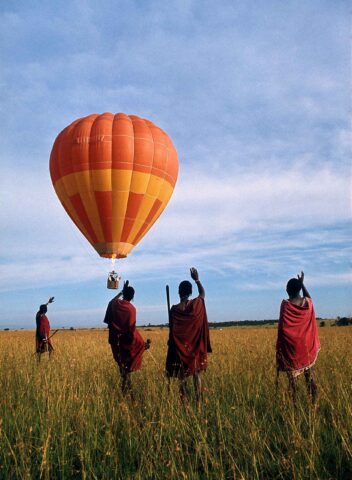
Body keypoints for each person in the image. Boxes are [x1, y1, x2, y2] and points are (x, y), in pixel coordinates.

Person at [166, 268, 212, 403]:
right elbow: (203, 293)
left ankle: (184, 403)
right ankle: (198, 402)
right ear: (190, 292)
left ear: (179, 292)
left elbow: (172, 331)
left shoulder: (174, 310)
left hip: (180, 350)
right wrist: (197, 279)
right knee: (196, 373)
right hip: (195, 349)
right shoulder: (196, 304)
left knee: (182, 376)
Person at [276, 272, 320, 404]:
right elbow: (309, 298)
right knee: (310, 377)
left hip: (292, 347)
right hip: (307, 347)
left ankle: (294, 406)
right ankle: (314, 405)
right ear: (299, 289)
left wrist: (280, 348)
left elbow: (283, 329)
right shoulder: (307, 303)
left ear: (287, 290)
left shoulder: (286, 305)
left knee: (292, 381)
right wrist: (302, 284)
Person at [104, 281, 150, 395]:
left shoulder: (115, 304)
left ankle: (126, 393)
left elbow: (110, 302)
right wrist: (141, 344)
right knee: (125, 371)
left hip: (116, 342)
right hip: (127, 342)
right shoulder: (131, 309)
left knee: (123, 370)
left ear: (124, 294)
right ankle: (128, 394)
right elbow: (131, 329)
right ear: (133, 297)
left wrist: (121, 291)